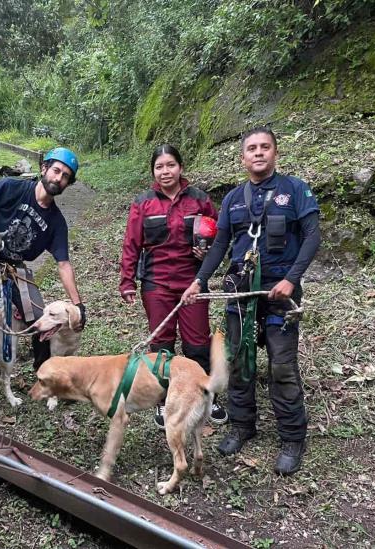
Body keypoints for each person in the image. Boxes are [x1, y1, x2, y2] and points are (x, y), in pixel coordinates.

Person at [182, 127, 321, 475]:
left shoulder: (295, 190)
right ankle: (242, 425)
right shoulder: (233, 199)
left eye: (265, 147)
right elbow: (220, 245)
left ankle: (292, 437)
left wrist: (292, 279)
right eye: (251, 149)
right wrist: (199, 280)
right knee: (239, 361)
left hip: (279, 294)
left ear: (275, 152)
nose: (258, 153)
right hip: (241, 292)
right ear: (243, 157)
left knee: (282, 365)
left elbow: (312, 236)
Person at [0, 147, 86, 425]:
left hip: (13, 268)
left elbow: (63, 264)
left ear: (68, 183)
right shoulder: (11, 187)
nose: (59, 178)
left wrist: (78, 304)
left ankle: (44, 374)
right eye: (56, 170)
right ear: (44, 169)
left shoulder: (56, 223)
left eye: (66, 176)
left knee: (42, 318)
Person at [119, 144, 227, 429]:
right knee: (161, 344)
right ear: (153, 171)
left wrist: (207, 253)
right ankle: (163, 399)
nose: (165, 171)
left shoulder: (200, 200)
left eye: (171, 165)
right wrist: (127, 280)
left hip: (193, 282)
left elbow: (217, 237)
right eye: (159, 167)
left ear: (180, 167)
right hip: (156, 284)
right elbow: (131, 243)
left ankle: (206, 396)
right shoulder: (143, 202)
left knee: (197, 343)